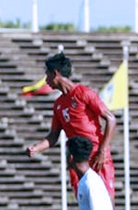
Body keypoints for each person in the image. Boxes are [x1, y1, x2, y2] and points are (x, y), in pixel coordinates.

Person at [26, 52, 117, 200]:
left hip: (97, 156)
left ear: (55, 73)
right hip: (77, 160)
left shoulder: (84, 93)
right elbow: (53, 136)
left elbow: (111, 119)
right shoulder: (58, 105)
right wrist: (36, 148)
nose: (46, 80)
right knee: (86, 203)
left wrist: (103, 151)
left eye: (47, 75)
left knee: (106, 201)